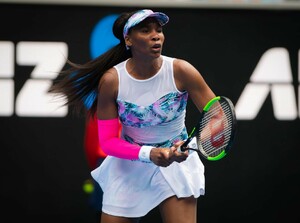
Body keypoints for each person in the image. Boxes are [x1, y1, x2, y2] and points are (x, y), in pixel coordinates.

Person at [49, 9, 216, 223]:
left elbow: (217, 117)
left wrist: (191, 144)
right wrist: (149, 153)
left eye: (159, 30)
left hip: (177, 164)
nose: (156, 35)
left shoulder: (182, 70)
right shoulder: (111, 81)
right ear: (128, 39)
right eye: (146, 31)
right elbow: (108, 142)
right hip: (129, 163)